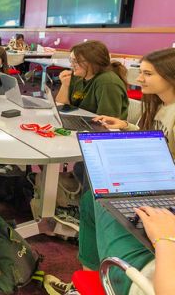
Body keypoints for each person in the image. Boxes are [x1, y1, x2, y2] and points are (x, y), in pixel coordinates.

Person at [63, 48, 175, 295]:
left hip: (161, 187)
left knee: (99, 197)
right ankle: (90, 277)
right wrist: (128, 126)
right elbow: (157, 140)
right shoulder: (160, 106)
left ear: (169, 77)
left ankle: (95, 277)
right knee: (93, 195)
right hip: (153, 178)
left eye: (147, 74)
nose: (139, 79)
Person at [55, 40, 129, 119]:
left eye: (76, 61)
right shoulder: (78, 75)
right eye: (71, 60)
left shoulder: (107, 82)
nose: (71, 65)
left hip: (101, 128)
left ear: (92, 62)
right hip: (81, 121)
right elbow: (61, 106)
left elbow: (107, 121)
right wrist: (65, 84)